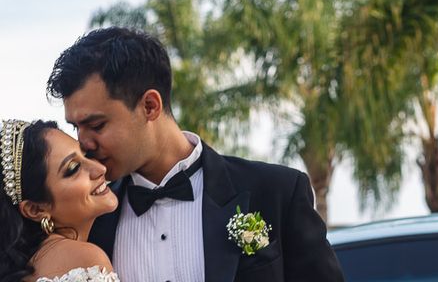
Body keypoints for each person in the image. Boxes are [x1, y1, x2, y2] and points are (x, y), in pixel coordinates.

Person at [46, 27, 345, 282]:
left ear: (150, 106)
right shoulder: (91, 222)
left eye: (96, 125)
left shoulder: (276, 192)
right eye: (76, 128)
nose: (83, 143)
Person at [0, 119, 120, 282]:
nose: (100, 169)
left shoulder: (24, 267)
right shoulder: (83, 260)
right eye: (73, 168)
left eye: (86, 155)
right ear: (35, 209)